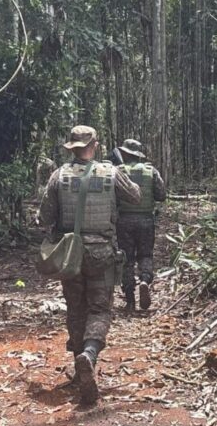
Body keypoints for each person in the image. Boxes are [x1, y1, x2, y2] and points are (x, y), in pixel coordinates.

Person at [37, 125, 141, 404]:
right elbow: (136, 196)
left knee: (76, 307)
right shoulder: (111, 172)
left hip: (70, 253)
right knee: (100, 308)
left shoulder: (58, 176)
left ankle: (79, 364)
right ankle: (90, 355)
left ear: (71, 147)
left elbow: (44, 218)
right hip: (101, 251)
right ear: (95, 145)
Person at [115, 139, 166, 311]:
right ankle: (144, 280)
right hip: (146, 220)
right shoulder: (151, 171)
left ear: (125, 154)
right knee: (145, 255)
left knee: (126, 259)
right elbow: (161, 195)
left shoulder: (118, 172)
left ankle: (130, 300)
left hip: (124, 220)